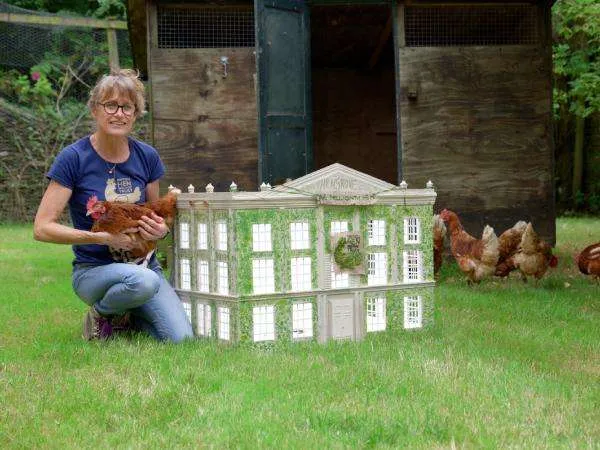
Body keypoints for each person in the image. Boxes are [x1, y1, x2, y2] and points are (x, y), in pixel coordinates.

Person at [33, 69, 193, 343]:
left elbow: (156, 215)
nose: (118, 113)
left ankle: (128, 314)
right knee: (145, 283)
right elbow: (42, 228)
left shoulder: (147, 157)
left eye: (127, 107)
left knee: (181, 339)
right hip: (94, 271)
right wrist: (101, 237)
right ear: (95, 110)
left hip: (143, 266)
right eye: (110, 105)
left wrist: (160, 231)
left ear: (135, 114)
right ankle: (102, 313)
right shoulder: (74, 158)